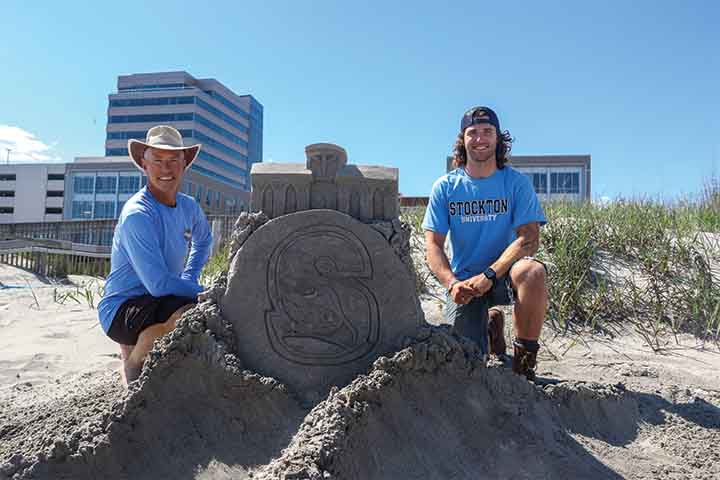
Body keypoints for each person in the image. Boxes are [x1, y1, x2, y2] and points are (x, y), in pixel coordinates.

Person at [422, 106, 548, 380]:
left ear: (498, 139)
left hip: (504, 275)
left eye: (487, 132)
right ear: (463, 139)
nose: (480, 139)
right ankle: (491, 327)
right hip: (466, 283)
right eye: (473, 133)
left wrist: (491, 275)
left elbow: (529, 239)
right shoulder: (445, 187)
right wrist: (452, 283)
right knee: (466, 365)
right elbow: (433, 245)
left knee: (532, 271)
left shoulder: (516, 183)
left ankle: (524, 368)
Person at [98, 125, 212, 384]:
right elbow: (159, 285)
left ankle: (146, 347)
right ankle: (132, 363)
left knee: (187, 306)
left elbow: (204, 240)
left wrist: (191, 276)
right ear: (144, 164)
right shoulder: (138, 214)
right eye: (157, 160)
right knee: (188, 311)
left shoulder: (188, 206)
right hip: (121, 308)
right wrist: (199, 290)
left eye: (173, 160)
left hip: (159, 298)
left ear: (184, 164)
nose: (166, 169)